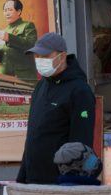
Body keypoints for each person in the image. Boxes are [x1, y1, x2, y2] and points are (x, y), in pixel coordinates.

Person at [16, 32, 96, 184]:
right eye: (36, 56)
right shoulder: (41, 86)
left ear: (62, 56)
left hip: (58, 183)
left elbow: (81, 143)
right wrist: (22, 177)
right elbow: (33, 135)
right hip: (33, 180)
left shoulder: (79, 91)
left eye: (45, 56)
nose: (39, 61)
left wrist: (72, 184)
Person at [0, 0, 38, 86]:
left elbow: (31, 45)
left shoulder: (27, 25)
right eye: (5, 10)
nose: (7, 13)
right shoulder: (2, 31)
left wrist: (9, 38)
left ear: (18, 11)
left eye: (10, 10)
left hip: (23, 78)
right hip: (4, 79)